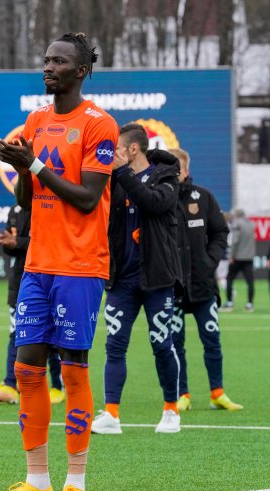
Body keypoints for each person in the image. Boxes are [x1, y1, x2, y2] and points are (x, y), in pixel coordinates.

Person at [0, 32, 118, 491]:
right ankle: (37, 481)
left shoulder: (99, 124)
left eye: (59, 61)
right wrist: (21, 168)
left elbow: (87, 199)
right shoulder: (36, 120)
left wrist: (36, 164)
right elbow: (27, 200)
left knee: (73, 367)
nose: (48, 67)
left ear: (81, 71)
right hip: (37, 264)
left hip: (80, 265)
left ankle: (76, 484)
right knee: (26, 367)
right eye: (46, 60)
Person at [91, 124, 182, 436]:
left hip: (157, 278)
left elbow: (153, 203)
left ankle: (171, 410)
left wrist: (122, 174)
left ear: (132, 149)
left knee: (162, 344)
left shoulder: (166, 176)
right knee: (114, 345)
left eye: (118, 147)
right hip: (122, 280)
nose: (113, 153)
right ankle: (111, 414)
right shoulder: (114, 179)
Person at [169, 148, 242, 413]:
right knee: (175, 343)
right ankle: (182, 394)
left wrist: (209, 262)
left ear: (186, 170)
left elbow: (220, 232)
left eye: (177, 167)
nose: (173, 172)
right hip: (172, 286)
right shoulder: (160, 199)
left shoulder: (204, 197)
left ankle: (217, 393)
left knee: (212, 339)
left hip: (203, 285)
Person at [0, 203, 64, 405]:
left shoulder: (49, 205)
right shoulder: (15, 210)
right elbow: (13, 250)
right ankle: (10, 385)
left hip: (50, 279)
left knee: (53, 338)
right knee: (16, 334)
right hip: (20, 282)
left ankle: (57, 387)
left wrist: (17, 242)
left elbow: (51, 242)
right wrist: (8, 244)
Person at [224, 208, 255, 311]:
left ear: (236, 215)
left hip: (237, 257)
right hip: (248, 257)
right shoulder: (251, 224)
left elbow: (235, 241)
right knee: (250, 282)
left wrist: (232, 256)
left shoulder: (237, 224)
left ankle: (229, 302)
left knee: (229, 279)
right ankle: (250, 303)